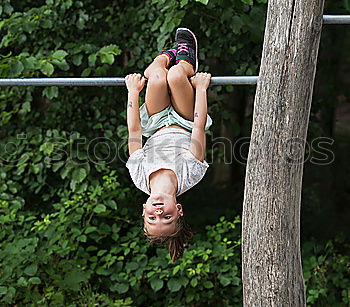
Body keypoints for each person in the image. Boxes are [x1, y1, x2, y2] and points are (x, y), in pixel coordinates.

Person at [125, 28, 212, 262]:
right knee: (174, 76)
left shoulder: (139, 175)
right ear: (179, 210)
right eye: (167, 218)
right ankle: (186, 57)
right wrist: (201, 89)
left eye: (152, 218)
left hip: (157, 121)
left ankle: (170, 53)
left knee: (154, 76)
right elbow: (198, 127)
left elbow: (134, 132)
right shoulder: (190, 174)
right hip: (185, 120)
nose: (159, 213)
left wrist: (133, 93)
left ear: (144, 210)